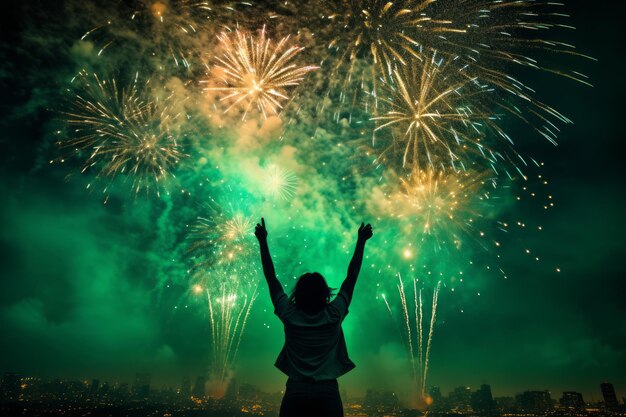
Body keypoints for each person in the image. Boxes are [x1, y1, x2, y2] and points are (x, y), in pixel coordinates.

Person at [254, 218, 373, 417]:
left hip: (296, 389)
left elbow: (271, 277)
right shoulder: (334, 314)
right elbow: (351, 277)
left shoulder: (289, 314)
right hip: (327, 390)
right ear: (325, 293)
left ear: (298, 293)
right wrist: (361, 241)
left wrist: (263, 241)